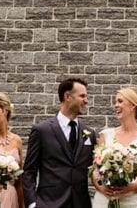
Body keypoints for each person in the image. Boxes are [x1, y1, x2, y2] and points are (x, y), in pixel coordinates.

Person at [23, 77, 98, 208]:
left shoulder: (89, 133)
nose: (86, 101)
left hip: (81, 204)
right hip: (49, 204)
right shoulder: (42, 130)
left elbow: (95, 169)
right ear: (67, 96)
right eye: (82, 96)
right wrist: (32, 203)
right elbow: (29, 171)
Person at [91, 87, 137, 208]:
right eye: (115, 102)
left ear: (133, 105)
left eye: (120, 101)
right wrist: (101, 187)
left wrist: (130, 188)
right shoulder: (105, 135)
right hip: (103, 201)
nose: (116, 105)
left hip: (132, 202)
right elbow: (95, 171)